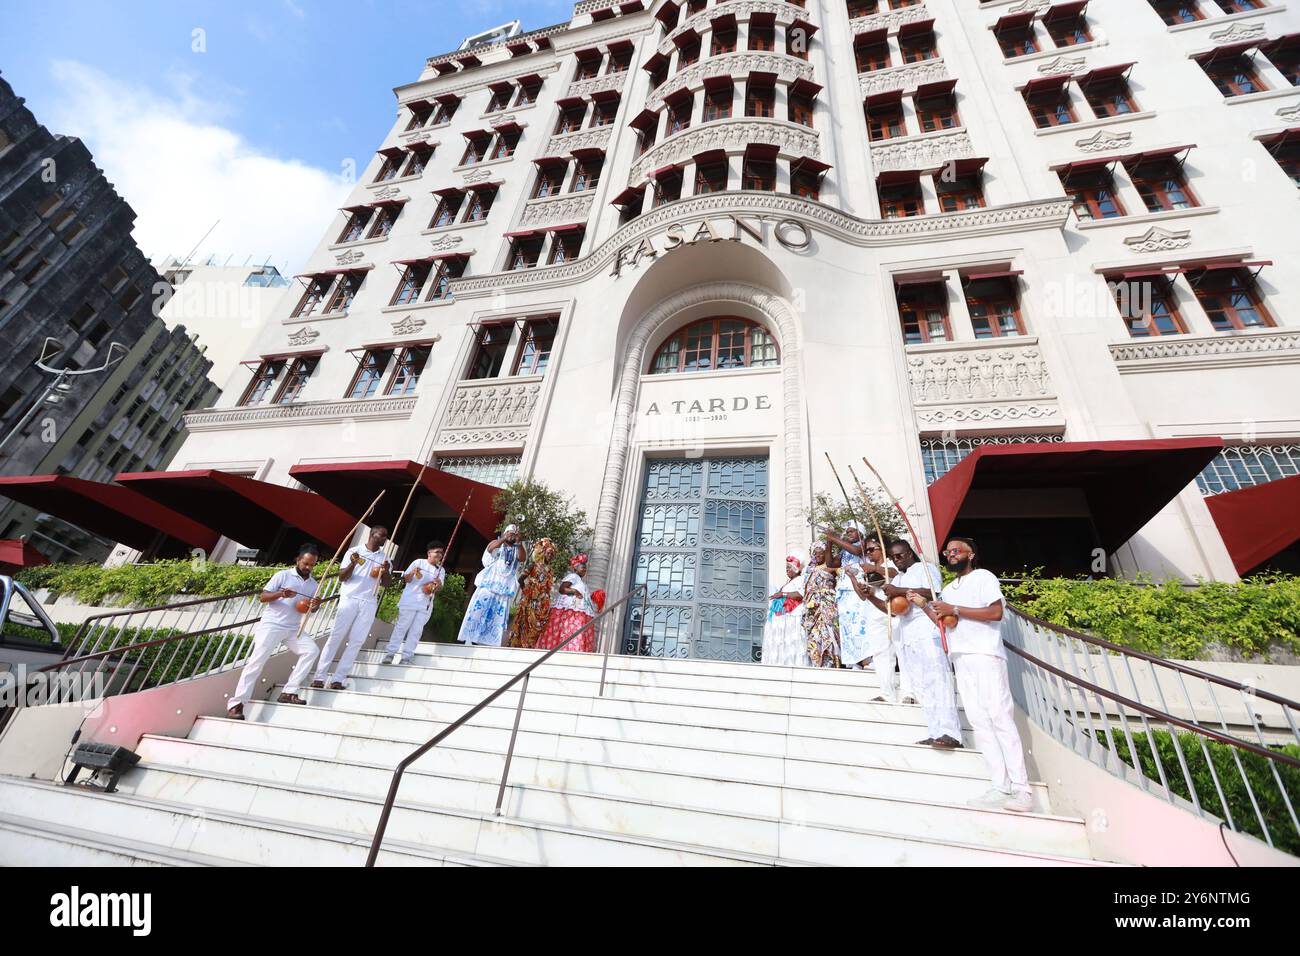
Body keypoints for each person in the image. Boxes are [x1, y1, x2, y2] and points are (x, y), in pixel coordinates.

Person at [910, 536, 1034, 813]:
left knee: (1000, 718)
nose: (951, 555)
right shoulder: (951, 588)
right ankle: (999, 785)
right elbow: (946, 625)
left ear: (971, 554)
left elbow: (995, 612)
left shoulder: (983, 577)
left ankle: (1022, 789)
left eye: (956, 551)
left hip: (985, 654)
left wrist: (953, 608)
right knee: (979, 722)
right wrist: (924, 605)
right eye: (948, 551)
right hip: (961, 656)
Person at [878, 540, 962, 749]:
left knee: (938, 680)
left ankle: (951, 733)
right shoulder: (897, 577)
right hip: (908, 634)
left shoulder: (924, 568)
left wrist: (899, 589)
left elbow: (933, 591)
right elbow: (895, 609)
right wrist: (875, 595)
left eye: (899, 556)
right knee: (922, 685)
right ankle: (935, 731)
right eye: (893, 557)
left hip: (927, 629)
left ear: (909, 554)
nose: (896, 560)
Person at [227, 543, 322, 720]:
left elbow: (309, 608)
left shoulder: (313, 584)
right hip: (272, 625)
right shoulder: (283, 575)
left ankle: (289, 691)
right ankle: (236, 704)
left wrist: (315, 606)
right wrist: (281, 594)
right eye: (306, 563)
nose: (308, 567)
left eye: (312, 564)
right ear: (298, 560)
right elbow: (263, 597)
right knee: (256, 663)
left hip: (293, 628)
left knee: (311, 650)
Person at [310, 525, 392, 690]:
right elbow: (342, 577)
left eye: (386, 536)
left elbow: (387, 584)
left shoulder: (385, 558)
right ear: (372, 534)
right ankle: (319, 677)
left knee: (356, 641)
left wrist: (386, 571)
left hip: (369, 601)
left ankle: (338, 679)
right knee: (336, 637)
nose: (385, 539)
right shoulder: (353, 552)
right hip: (349, 598)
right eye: (382, 535)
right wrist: (353, 563)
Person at [843, 533, 899, 695]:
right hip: (874, 614)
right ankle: (887, 692)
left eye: (871, 550)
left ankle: (909, 691)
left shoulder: (890, 564)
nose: (868, 553)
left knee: (901, 652)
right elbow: (862, 596)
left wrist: (874, 568)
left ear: (882, 548)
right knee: (881, 654)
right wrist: (853, 578)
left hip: (893, 613)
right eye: (866, 551)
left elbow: (893, 574)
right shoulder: (868, 570)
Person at [457, 524, 526, 647]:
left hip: (504, 588)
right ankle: (470, 639)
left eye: (514, 534)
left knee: (496, 617)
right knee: (479, 611)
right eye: (509, 533)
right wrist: (504, 539)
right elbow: (490, 549)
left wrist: (519, 542)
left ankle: (488, 643)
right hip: (489, 585)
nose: (512, 535)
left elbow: (522, 558)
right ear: (505, 533)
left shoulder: (517, 548)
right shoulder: (497, 542)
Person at [383, 540, 445, 665]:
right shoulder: (418, 562)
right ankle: (390, 654)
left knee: (416, 631)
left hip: (425, 604)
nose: (439, 555)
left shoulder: (441, 570)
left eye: (441, 553)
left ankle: (406, 656)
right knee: (401, 627)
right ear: (429, 553)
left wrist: (437, 583)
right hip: (410, 601)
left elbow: (439, 588)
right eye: (437, 552)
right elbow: (406, 578)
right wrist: (413, 572)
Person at [537, 552, 596, 652]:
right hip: (570, 609)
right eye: (582, 567)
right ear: (575, 568)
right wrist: (574, 591)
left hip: (578, 609)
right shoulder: (573, 576)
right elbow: (562, 589)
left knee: (574, 630)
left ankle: (571, 648)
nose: (584, 569)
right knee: (571, 628)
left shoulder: (580, 581)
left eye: (585, 567)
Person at [762, 551, 809, 667]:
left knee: (792, 642)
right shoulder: (789, 582)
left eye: (789, 567)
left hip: (793, 617)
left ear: (796, 568)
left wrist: (782, 594)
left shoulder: (801, 580)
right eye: (786, 567)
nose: (787, 570)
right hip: (782, 617)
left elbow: (800, 595)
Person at [508, 538, 557, 649]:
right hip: (530, 600)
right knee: (526, 623)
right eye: (549, 553)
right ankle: (521, 645)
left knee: (538, 626)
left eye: (552, 554)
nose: (550, 555)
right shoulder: (534, 565)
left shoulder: (550, 570)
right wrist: (526, 590)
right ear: (543, 552)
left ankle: (532, 647)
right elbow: (521, 579)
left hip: (543, 603)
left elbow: (548, 587)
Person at [802, 539, 842, 669]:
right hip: (812, 609)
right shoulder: (809, 570)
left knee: (828, 633)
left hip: (827, 607)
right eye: (815, 553)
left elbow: (841, 579)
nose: (818, 556)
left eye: (820, 553)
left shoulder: (831, 568)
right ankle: (816, 662)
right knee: (814, 635)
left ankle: (830, 662)